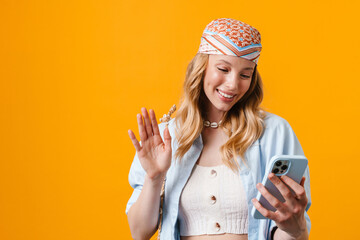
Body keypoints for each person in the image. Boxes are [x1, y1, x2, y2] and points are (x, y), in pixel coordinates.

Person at [126, 18, 311, 240]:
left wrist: (295, 227)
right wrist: (154, 177)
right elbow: (139, 233)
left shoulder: (273, 132)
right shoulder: (167, 137)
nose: (233, 84)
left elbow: (292, 232)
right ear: (201, 67)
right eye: (223, 68)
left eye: (245, 74)